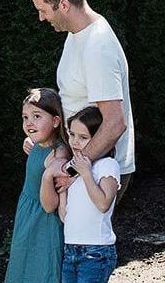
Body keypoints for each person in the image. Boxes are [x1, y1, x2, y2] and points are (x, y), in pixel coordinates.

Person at [21, 0, 137, 192]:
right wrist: (45, 139)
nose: (41, 18)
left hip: (99, 170)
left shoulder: (97, 46)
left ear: (63, 4)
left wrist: (72, 170)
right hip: (84, 166)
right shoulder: (77, 36)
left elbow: (115, 123)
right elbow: (73, 101)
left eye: (43, 9)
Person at [45, 106, 120, 283]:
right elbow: (65, 216)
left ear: (99, 139)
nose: (75, 142)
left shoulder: (106, 165)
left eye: (83, 137)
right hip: (70, 249)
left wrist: (86, 173)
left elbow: (103, 204)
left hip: (96, 252)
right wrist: (63, 190)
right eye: (72, 134)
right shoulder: (74, 170)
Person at [6, 88, 70, 283]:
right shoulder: (39, 143)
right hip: (27, 213)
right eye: (25, 117)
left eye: (36, 116)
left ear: (56, 121)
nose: (29, 123)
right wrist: (30, 140)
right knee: (23, 263)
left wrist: (47, 175)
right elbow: (37, 151)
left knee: (43, 268)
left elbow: (50, 206)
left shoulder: (58, 155)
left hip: (44, 221)